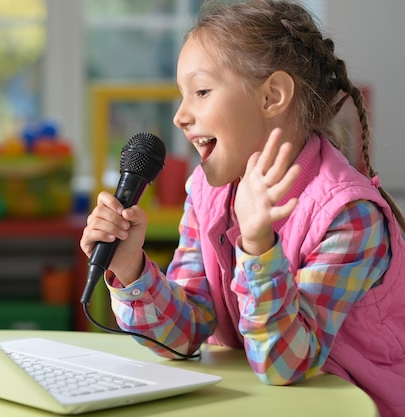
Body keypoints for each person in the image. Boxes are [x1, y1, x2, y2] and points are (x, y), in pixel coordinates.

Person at [79, 1, 405, 416]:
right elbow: (185, 332)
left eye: (201, 92)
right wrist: (130, 270)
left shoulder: (348, 215)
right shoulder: (207, 192)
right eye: (183, 96)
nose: (180, 115)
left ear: (272, 96)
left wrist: (257, 248)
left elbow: (286, 364)